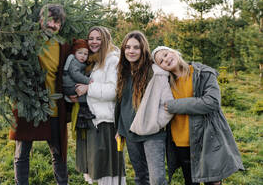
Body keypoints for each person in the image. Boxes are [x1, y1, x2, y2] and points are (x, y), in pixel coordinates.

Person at [152, 46, 244, 185]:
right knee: (190, 181)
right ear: (160, 68)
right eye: (161, 61)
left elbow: (212, 102)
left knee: (213, 182)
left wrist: (175, 105)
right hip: (181, 141)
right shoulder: (164, 83)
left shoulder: (203, 73)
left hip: (207, 139)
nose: (166, 59)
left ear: (173, 52)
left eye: (166, 54)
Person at [8, 4, 71, 185]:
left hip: (54, 109)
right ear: (40, 20)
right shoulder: (27, 42)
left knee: (59, 155)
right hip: (27, 106)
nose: (52, 25)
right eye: (49, 20)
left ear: (61, 25)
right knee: (21, 154)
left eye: (57, 22)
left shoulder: (63, 46)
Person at [115, 31, 173, 185]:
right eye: (127, 47)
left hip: (152, 134)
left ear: (143, 50)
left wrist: (156, 124)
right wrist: (120, 129)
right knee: (140, 177)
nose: (131, 51)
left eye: (136, 47)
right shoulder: (123, 71)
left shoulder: (155, 72)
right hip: (130, 132)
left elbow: (168, 104)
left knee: (157, 179)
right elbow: (122, 104)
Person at [72, 26, 126, 185]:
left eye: (98, 38)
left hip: (106, 122)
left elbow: (113, 90)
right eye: (91, 38)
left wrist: (89, 89)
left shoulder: (113, 60)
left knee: (109, 172)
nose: (94, 42)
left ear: (106, 40)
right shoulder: (94, 60)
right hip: (93, 120)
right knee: (99, 170)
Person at [63, 38, 95, 129]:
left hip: (71, 86)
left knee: (82, 99)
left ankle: (81, 119)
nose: (83, 56)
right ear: (74, 53)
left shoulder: (80, 63)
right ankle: (84, 113)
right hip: (69, 86)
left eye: (85, 54)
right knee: (84, 96)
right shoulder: (73, 62)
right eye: (80, 53)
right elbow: (75, 75)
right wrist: (88, 81)